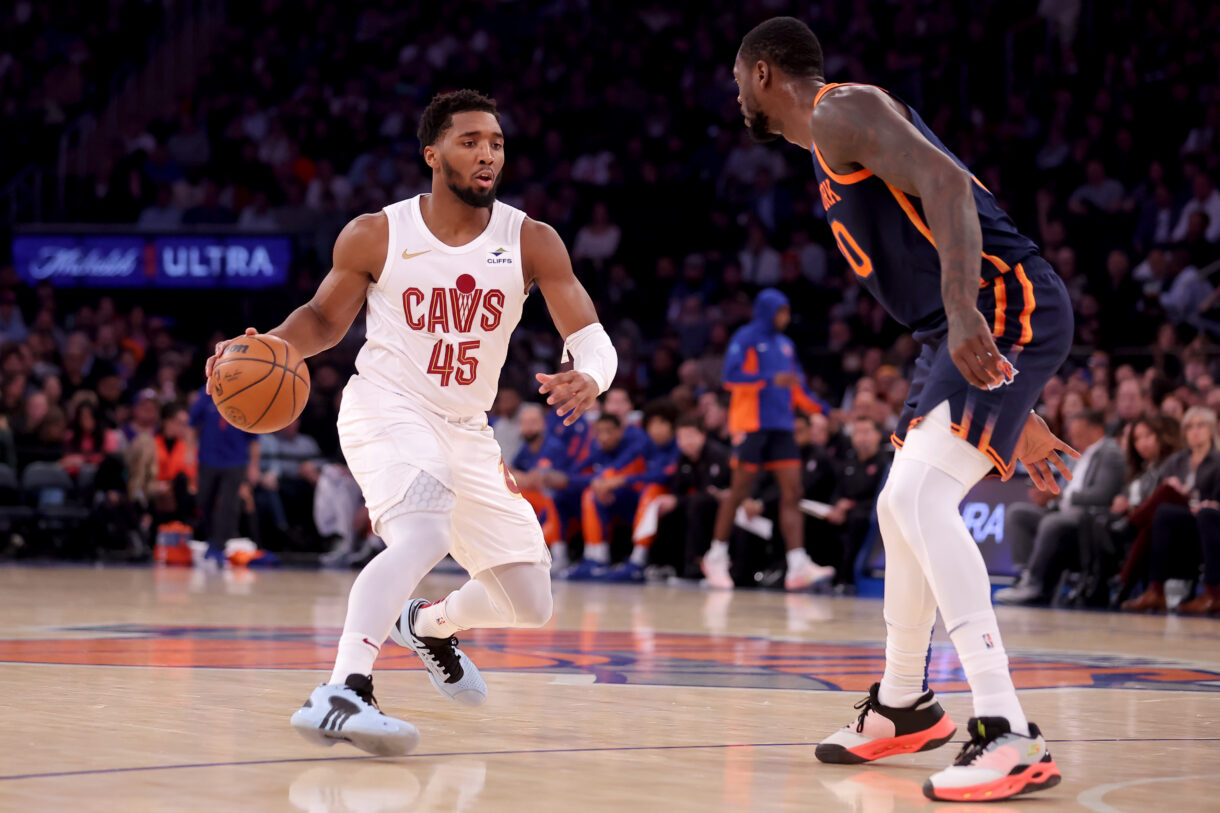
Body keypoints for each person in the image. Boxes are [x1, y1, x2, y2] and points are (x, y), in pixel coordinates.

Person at [205, 90, 616, 756]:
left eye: (497, 143)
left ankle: (427, 624)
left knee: (530, 598)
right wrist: (267, 346)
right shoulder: (379, 232)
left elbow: (590, 332)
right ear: (432, 154)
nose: (487, 154)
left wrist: (593, 374)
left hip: (465, 427)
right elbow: (322, 319)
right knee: (422, 531)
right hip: (387, 405)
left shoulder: (531, 240)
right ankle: (343, 688)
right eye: (470, 141)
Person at [731, 18, 1080, 801]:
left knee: (919, 497)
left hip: (999, 299)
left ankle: (1007, 729)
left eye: (736, 82)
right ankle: (902, 703)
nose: (737, 98)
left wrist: (965, 315)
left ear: (760, 74)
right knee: (898, 508)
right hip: (949, 333)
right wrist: (1005, 396)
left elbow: (949, 184)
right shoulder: (827, 146)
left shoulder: (837, 109)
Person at [705, 287, 832, 592]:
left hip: (781, 426)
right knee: (739, 491)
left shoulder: (786, 345)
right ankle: (716, 556)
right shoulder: (746, 338)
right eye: (781, 312)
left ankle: (798, 564)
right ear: (767, 311)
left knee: (793, 491)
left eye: (787, 312)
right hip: (751, 424)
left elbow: (797, 388)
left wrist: (825, 410)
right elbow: (730, 377)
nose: (786, 318)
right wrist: (766, 380)